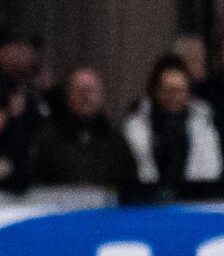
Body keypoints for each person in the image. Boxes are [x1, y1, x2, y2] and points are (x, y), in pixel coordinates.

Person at [121, 55, 222, 203]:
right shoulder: (135, 126)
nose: (174, 97)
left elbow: (210, 168)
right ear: (155, 91)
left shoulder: (203, 125)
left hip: (193, 203)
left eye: (180, 90)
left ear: (188, 92)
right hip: (146, 203)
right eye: (168, 90)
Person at [36, 67, 136, 188]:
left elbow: (129, 180)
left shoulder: (115, 139)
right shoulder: (48, 137)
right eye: (79, 91)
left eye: (90, 91)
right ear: (68, 96)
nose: (85, 97)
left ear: (101, 95)